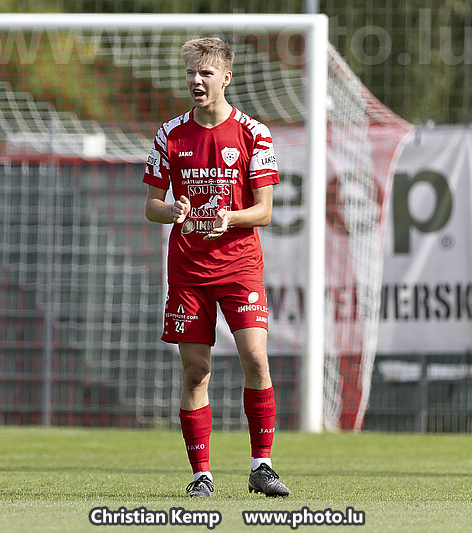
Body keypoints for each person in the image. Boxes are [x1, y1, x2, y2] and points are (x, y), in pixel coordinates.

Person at [143, 37, 290, 498]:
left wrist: (232, 217)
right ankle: (201, 475)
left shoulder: (254, 133)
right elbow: (151, 206)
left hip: (240, 266)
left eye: (205, 73)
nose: (196, 80)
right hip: (188, 270)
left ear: (225, 77)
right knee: (195, 372)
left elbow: (264, 211)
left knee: (256, 358)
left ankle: (262, 466)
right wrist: (173, 211)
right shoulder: (170, 134)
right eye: (191, 72)